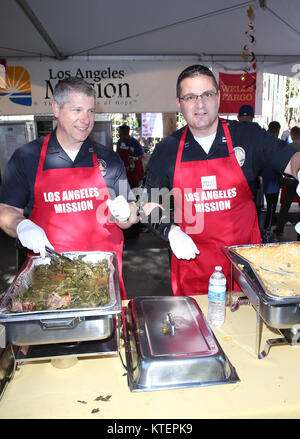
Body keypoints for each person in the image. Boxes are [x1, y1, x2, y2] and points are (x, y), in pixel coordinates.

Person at [142, 64, 300, 296]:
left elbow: (291, 158)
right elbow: (148, 202)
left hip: (246, 264)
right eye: (190, 97)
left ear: (218, 97)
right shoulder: (167, 149)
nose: (200, 104)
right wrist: (170, 231)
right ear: (179, 103)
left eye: (207, 94)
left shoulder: (247, 135)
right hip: (192, 265)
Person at [0, 77, 137, 300]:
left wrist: (127, 213)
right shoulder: (27, 157)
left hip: (103, 277)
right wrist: (21, 225)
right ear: (56, 108)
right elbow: (6, 209)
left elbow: (129, 215)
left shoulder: (108, 159)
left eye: (90, 111)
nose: (86, 119)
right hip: (49, 278)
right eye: (77, 110)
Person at [274, 126, 300, 237]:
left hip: (292, 180)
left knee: (286, 205)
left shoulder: (292, 146)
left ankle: (280, 228)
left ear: (293, 134)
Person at [260, 121, 281, 238]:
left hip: (260, 180)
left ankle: (260, 229)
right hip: (272, 182)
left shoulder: (261, 140)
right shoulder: (276, 143)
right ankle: (266, 231)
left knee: (259, 207)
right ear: (277, 131)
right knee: (271, 208)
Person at [117, 124, 145, 188]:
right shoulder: (119, 142)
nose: (119, 135)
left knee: (134, 190)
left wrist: (136, 158)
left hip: (134, 172)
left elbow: (143, 155)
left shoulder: (135, 142)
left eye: (120, 133)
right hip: (124, 171)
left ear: (125, 133)